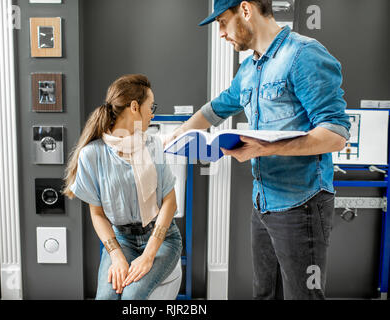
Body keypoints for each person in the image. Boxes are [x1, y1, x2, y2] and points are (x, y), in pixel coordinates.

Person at [166, 0, 351, 299]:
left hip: (302, 204)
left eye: (223, 22)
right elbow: (220, 106)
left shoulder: (304, 54)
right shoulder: (249, 67)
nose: (222, 33)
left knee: (303, 296)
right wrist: (181, 131)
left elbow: (335, 135)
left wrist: (265, 148)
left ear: (246, 10)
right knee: (264, 293)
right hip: (263, 202)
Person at [63, 74, 183, 300]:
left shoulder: (152, 145)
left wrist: (148, 255)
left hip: (162, 239)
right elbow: (97, 213)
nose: (153, 113)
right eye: (151, 106)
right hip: (122, 240)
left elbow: (170, 201)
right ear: (135, 106)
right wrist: (116, 255)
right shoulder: (93, 154)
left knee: (131, 297)